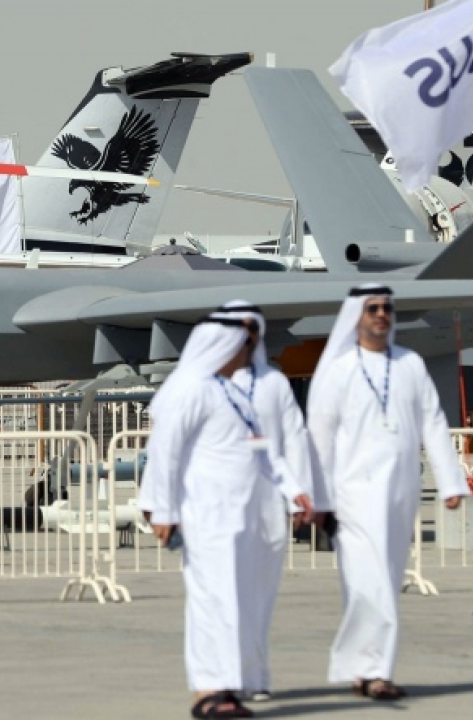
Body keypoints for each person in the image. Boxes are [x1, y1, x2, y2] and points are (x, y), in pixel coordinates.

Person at [138, 303, 313, 720]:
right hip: (206, 514)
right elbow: (164, 451)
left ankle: (228, 686)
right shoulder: (190, 389)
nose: (249, 349)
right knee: (211, 601)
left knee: (235, 600)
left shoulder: (231, 393)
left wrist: (294, 490)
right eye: (242, 342)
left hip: (243, 515)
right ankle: (208, 691)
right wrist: (161, 509)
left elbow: (263, 449)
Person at [306, 284, 468, 701]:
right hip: (353, 493)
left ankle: (361, 668)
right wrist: (317, 499)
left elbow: (433, 422)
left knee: (383, 578)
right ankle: (376, 672)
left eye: (387, 309)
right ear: (356, 316)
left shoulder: (410, 363)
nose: (381, 315)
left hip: (400, 490)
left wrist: (451, 482)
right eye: (373, 308)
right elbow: (320, 438)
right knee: (371, 577)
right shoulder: (340, 369)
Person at [224, 301, 316, 703]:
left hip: (268, 506)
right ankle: (225, 676)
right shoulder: (209, 381)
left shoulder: (275, 383)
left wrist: (299, 496)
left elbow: (292, 439)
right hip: (222, 505)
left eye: (251, 329)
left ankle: (255, 677)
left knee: (261, 596)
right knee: (228, 594)